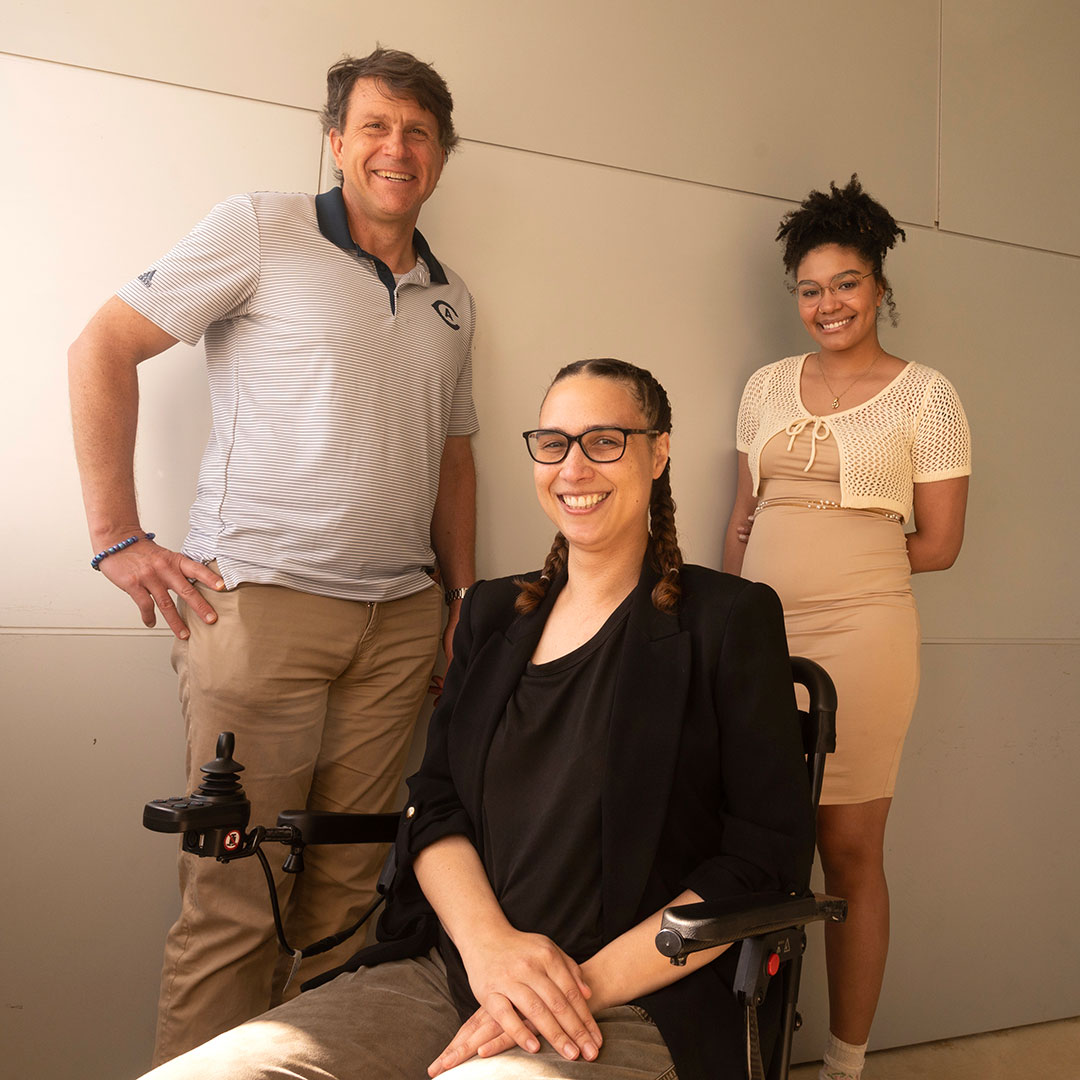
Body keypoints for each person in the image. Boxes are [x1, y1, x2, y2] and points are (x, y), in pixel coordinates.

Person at [135, 358, 814, 1080]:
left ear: (658, 451)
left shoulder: (729, 619)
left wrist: (565, 990)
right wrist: (491, 952)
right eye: (553, 444)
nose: (573, 468)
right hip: (450, 973)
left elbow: (763, 857)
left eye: (604, 441)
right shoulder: (492, 615)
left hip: (629, 999)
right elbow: (435, 803)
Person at [68, 48, 478, 1064]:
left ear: (441, 156)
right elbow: (102, 347)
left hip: (398, 628)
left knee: (349, 895)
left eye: (419, 132)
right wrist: (117, 538)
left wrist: (459, 598)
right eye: (377, 126)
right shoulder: (260, 226)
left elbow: (453, 456)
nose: (399, 147)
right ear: (335, 141)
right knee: (237, 897)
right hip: (256, 611)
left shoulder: (451, 295)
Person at [723, 176, 971, 1080]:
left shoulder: (925, 396)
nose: (829, 303)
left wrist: (847, 562)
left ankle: (845, 1063)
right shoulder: (764, 387)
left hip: (866, 637)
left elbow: (938, 544)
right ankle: (745, 1047)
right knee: (757, 835)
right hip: (758, 635)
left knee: (849, 849)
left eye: (848, 283)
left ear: (879, 288)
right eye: (812, 288)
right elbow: (741, 519)